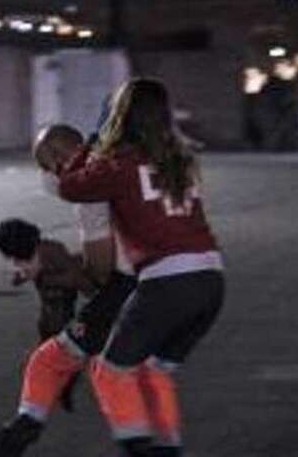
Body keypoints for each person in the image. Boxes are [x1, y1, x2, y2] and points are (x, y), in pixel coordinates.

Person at [55, 78, 226, 457]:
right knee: (153, 370)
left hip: (168, 281)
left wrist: (89, 144)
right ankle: (169, 446)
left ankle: (140, 451)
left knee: (111, 371)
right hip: (211, 279)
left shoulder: (119, 165)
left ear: (122, 116)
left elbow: (69, 187)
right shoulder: (181, 161)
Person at [0, 125, 137, 457]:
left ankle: (3, 448)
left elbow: (98, 276)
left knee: (75, 367)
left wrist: (60, 272)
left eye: (45, 166)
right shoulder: (115, 165)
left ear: (60, 158)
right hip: (169, 275)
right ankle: (6, 445)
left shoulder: (89, 189)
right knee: (69, 364)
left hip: (132, 283)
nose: (47, 177)